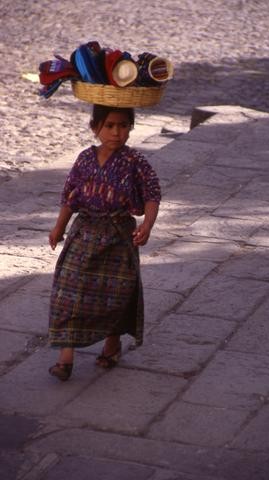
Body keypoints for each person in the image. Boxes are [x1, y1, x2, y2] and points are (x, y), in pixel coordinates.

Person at [48, 104, 161, 381]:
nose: (116, 132)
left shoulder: (135, 162)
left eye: (123, 125)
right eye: (109, 125)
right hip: (84, 232)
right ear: (95, 127)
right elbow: (70, 196)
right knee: (69, 290)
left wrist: (147, 224)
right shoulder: (85, 159)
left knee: (115, 295)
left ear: (130, 128)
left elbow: (152, 194)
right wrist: (59, 227)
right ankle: (66, 357)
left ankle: (112, 345)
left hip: (118, 236)